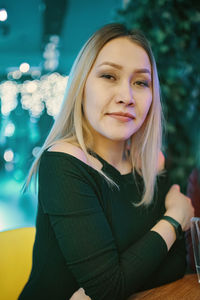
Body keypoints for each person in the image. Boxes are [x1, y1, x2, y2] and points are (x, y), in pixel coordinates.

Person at [18, 23, 194, 300]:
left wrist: (121, 278)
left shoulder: (151, 164)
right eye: (109, 76)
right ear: (82, 87)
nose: (126, 97)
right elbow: (109, 288)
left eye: (141, 82)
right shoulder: (62, 163)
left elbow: (173, 267)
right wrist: (174, 219)